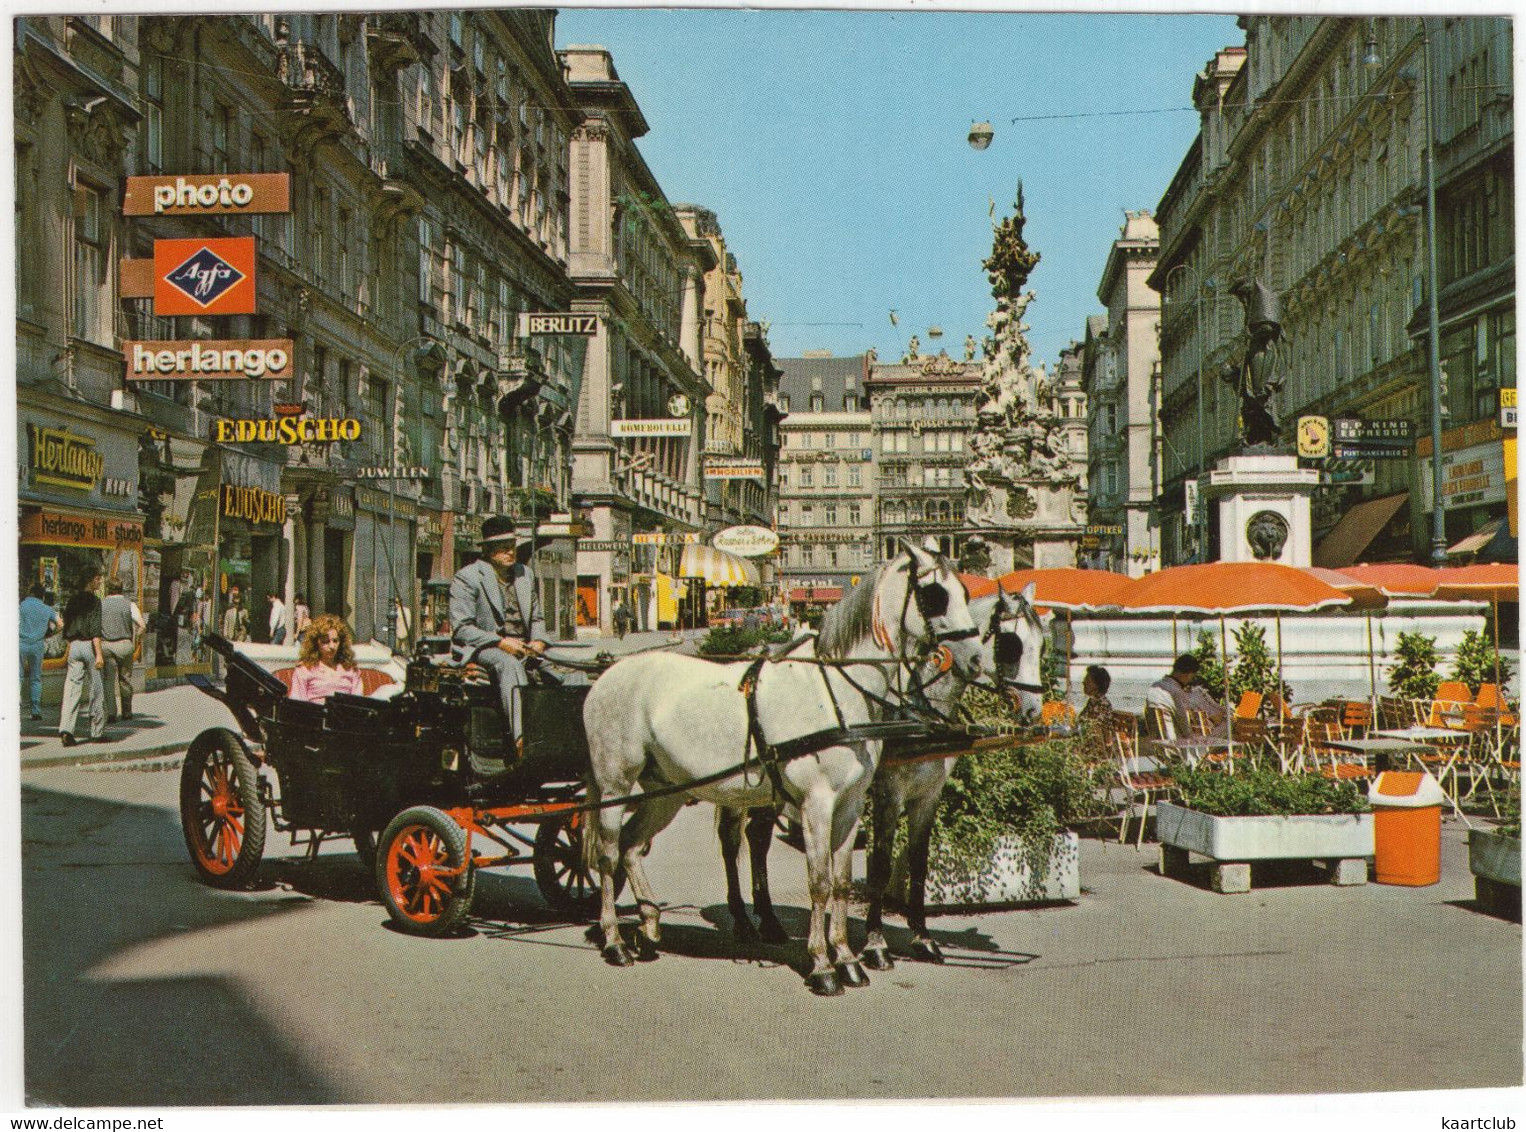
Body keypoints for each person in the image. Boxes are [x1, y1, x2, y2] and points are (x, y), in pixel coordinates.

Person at [449, 516, 546, 748]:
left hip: (526, 648)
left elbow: (536, 618)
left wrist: (539, 641)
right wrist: (501, 642)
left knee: (571, 670)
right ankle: (522, 739)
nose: (510, 552)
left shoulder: (526, 574)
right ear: (488, 550)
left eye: (511, 546)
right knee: (509, 665)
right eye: (503, 548)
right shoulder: (468, 577)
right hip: (486, 648)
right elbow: (462, 629)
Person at [58, 569, 106, 746]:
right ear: (90, 581)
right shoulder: (94, 601)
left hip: (74, 646)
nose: (99, 582)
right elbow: (95, 629)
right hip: (89, 646)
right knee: (96, 688)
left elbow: (67, 626)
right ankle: (96, 731)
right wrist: (99, 654)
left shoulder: (72, 601)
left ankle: (66, 730)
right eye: (97, 579)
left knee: (72, 688)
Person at [1146, 654, 1227, 740]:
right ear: (1188, 674)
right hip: (1178, 745)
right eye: (1192, 676)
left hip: (1159, 742)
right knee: (1228, 725)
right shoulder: (1176, 692)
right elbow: (1185, 728)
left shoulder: (1154, 687)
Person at [288, 614, 364, 704]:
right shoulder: (304, 669)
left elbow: (359, 704)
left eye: (335, 641)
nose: (332, 646)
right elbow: (297, 705)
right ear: (315, 643)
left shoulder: (351, 669)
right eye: (325, 641)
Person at [99, 579, 143, 723]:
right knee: (125, 679)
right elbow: (142, 625)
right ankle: (127, 712)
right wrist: (135, 641)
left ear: (108, 589)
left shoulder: (101, 604)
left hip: (106, 645)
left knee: (108, 681)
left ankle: (111, 713)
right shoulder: (129, 604)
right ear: (121, 589)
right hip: (125, 645)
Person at [19, 583, 61, 721]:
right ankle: (35, 710)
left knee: (18, 676)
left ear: (30, 593)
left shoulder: (21, 606)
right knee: (35, 678)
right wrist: (50, 634)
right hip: (37, 645)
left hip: (20, 643)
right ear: (42, 596)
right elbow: (61, 624)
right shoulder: (47, 609)